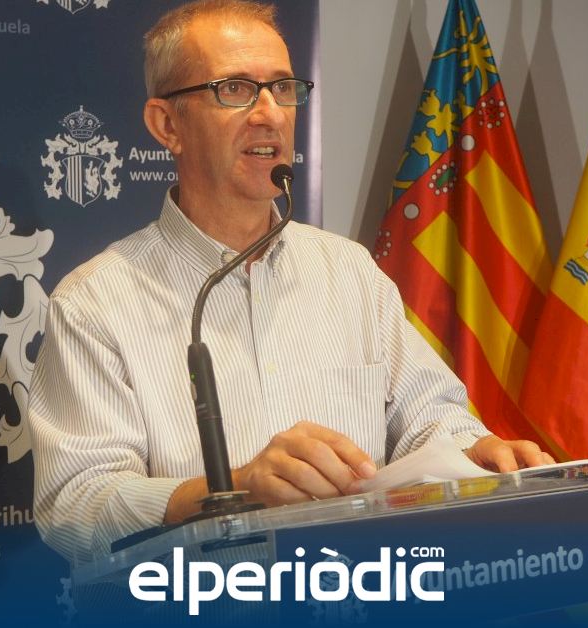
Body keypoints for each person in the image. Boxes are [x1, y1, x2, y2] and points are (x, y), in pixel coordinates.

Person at [28, 0, 553, 564]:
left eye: (283, 88)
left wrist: (477, 451)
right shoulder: (96, 302)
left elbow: (429, 419)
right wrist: (234, 489)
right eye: (234, 89)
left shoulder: (349, 272)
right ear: (167, 125)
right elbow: (73, 505)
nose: (270, 113)